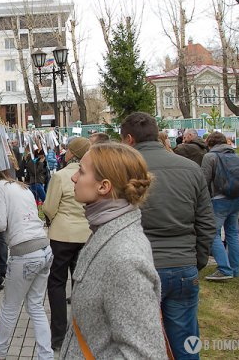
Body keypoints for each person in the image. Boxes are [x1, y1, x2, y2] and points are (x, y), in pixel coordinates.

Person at [121, 112, 216, 359]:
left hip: (140, 267)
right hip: (182, 265)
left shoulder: (124, 170)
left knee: (140, 343)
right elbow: (206, 222)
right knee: (186, 342)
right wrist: (196, 261)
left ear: (129, 139)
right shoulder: (190, 168)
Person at [60, 143, 167, 358]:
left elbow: (145, 354)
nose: (74, 177)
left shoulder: (124, 258)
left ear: (103, 186)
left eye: (81, 171)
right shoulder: (106, 232)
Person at [0, 163, 54, 360]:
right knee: (35, 306)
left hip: (25, 254)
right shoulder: (21, 186)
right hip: (44, 248)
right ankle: (46, 355)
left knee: (10, 306)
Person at [42, 137, 91, 351]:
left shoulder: (61, 176)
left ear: (71, 152)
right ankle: (83, 333)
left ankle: (58, 336)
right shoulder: (94, 175)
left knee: (57, 283)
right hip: (87, 234)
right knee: (82, 284)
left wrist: (53, 219)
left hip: (62, 235)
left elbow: (49, 207)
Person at [201, 131, 239, 281]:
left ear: (210, 143)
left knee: (212, 234)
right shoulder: (237, 156)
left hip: (219, 200)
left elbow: (204, 181)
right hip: (236, 199)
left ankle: (224, 269)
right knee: (233, 234)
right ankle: (235, 268)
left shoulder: (210, 157)